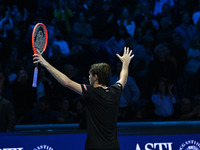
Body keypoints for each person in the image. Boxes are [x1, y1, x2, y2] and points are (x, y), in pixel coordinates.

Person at [33, 47, 134, 150]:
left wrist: (44, 62)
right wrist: (125, 63)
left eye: (90, 75)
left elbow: (66, 82)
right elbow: (123, 78)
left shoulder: (90, 92)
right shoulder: (115, 91)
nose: (88, 77)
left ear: (95, 77)